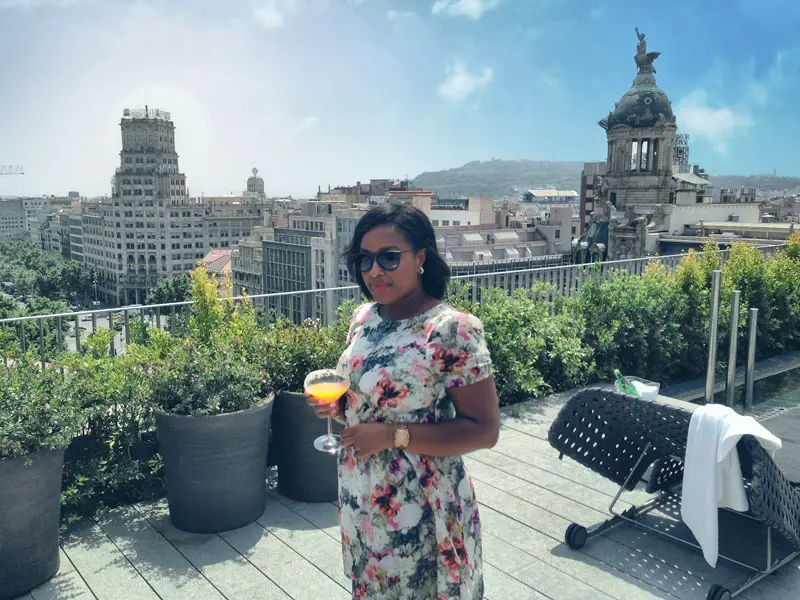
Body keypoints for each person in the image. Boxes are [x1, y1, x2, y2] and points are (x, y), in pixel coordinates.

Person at [308, 203, 501, 600]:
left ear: (421, 259)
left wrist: (392, 436)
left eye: (389, 257)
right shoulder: (365, 318)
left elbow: (485, 430)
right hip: (362, 491)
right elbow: (366, 400)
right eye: (365, 259)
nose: (374, 270)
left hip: (421, 501)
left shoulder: (451, 330)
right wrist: (340, 408)